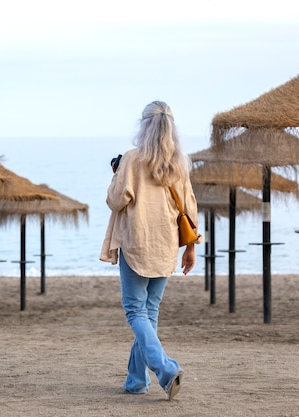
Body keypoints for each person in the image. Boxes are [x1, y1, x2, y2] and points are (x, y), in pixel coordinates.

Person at [100, 100, 201, 401]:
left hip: (137, 244)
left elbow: (116, 200)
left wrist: (117, 173)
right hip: (166, 246)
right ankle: (135, 382)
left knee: (135, 312)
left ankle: (166, 370)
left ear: (144, 126)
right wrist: (191, 249)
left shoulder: (132, 159)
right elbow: (190, 208)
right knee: (150, 312)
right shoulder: (179, 165)